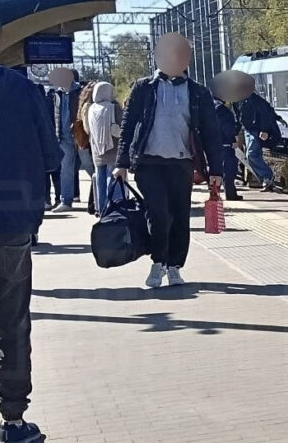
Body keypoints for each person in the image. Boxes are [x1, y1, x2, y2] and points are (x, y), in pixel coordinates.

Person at [0, 0, 60, 443]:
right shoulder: (23, 91)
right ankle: (14, 421)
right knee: (12, 326)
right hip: (10, 227)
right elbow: (51, 156)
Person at [114, 32, 222, 289]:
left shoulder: (198, 92)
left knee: (180, 216)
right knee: (158, 214)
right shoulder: (143, 88)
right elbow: (128, 126)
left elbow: (211, 133)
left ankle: (175, 266)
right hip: (148, 162)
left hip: (181, 163)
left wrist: (216, 170)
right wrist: (121, 163)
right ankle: (158, 261)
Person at [47, 67, 82, 212]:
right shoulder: (57, 94)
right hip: (63, 137)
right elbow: (56, 115)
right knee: (66, 170)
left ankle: (102, 199)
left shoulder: (82, 91)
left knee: (91, 168)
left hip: (81, 136)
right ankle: (66, 201)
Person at [86, 81, 123, 216]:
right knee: (113, 180)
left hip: (97, 150)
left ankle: (102, 210)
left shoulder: (90, 109)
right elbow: (123, 125)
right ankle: (115, 210)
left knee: (100, 181)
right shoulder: (114, 108)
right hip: (113, 149)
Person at [237, 91, 281, 191]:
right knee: (250, 155)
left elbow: (265, 113)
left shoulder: (254, 100)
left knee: (252, 154)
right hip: (248, 129)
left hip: (255, 130)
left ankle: (267, 177)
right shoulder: (241, 100)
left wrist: (265, 130)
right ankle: (265, 179)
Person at [214, 94, 243, 200]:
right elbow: (228, 128)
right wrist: (233, 140)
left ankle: (216, 194)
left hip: (215, 145)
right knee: (229, 169)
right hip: (226, 144)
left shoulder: (211, 107)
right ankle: (231, 194)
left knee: (217, 170)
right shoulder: (223, 111)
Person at [75, 80, 97, 213]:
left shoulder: (84, 105)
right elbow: (87, 128)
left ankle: (93, 204)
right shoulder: (88, 106)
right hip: (89, 145)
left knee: (95, 175)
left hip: (87, 145)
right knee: (95, 175)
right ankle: (94, 204)